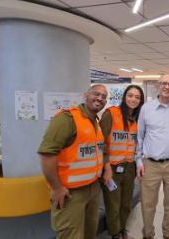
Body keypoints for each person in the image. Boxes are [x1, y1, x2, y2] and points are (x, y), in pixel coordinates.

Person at [38, 84, 108, 239]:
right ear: (86, 95)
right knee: (70, 235)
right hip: (70, 194)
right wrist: (56, 188)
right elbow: (46, 154)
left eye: (104, 96)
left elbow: (98, 152)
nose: (100, 98)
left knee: (90, 232)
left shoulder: (96, 122)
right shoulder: (67, 118)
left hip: (93, 188)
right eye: (96, 94)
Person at [136, 74, 169, 239]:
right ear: (158, 85)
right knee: (148, 204)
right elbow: (139, 136)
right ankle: (148, 234)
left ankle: (168, 234)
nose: (167, 87)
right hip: (150, 164)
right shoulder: (146, 108)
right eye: (164, 83)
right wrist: (138, 161)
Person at [100, 85, 144, 239]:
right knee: (113, 205)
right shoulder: (111, 114)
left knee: (126, 203)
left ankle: (122, 229)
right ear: (124, 97)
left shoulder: (138, 119)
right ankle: (115, 233)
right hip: (111, 168)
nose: (133, 99)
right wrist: (106, 168)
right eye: (130, 95)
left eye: (137, 97)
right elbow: (101, 143)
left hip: (129, 167)